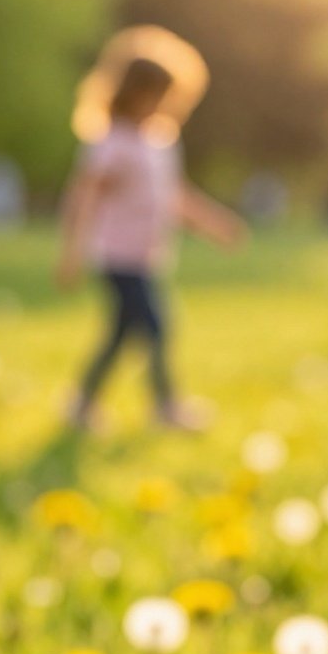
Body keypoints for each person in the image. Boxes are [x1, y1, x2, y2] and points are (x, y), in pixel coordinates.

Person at [57, 51, 245, 431]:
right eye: (153, 95)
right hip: (117, 255)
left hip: (147, 256)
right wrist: (71, 252)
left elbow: (174, 197)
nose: (159, 104)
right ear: (132, 92)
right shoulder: (113, 144)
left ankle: (81, 404)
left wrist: (214, 223)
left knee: (121, 333)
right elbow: (85, 198)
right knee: (156, 326)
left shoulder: (160, 141)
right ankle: (166, 408)